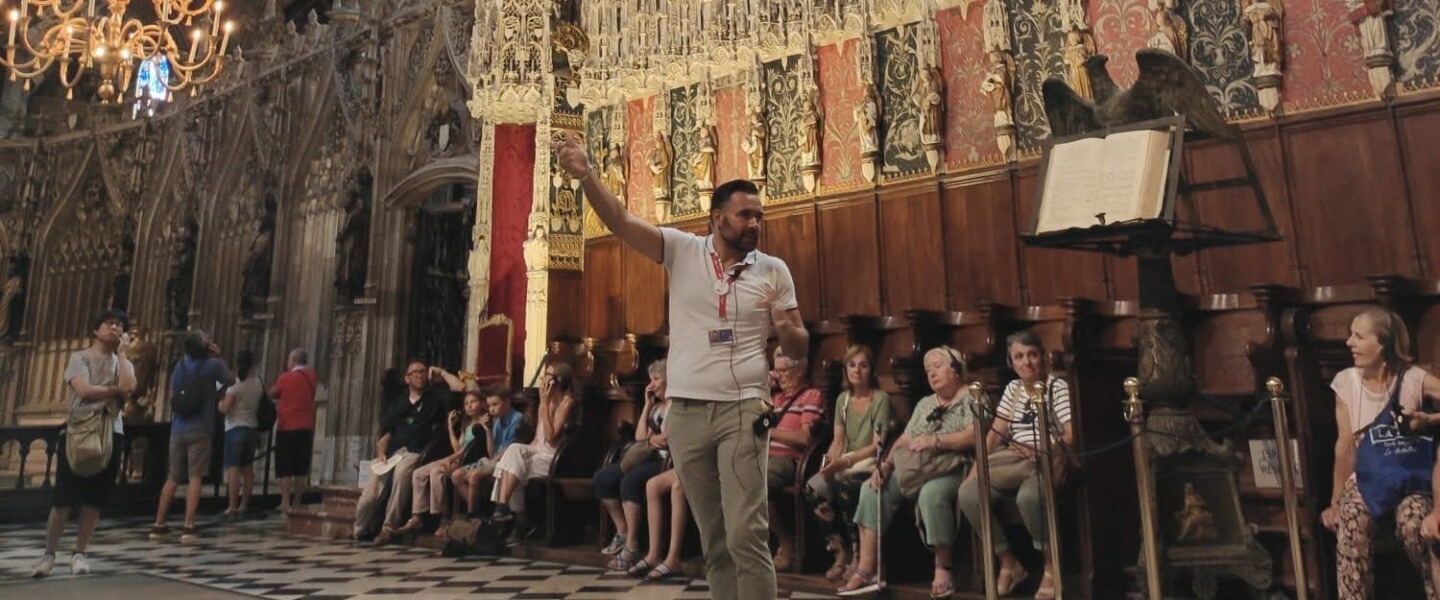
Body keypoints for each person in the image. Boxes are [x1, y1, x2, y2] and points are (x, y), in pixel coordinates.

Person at [553, 134, 807, 600]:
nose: (755, 223)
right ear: (717, 218)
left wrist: (784, 328)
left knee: (745, 532)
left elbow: (800, 340)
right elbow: (621, 219)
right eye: (745, 214)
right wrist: (586, 176)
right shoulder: (682, 250)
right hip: (687, 413)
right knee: (713, 536)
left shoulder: (773, 270)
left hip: (744, 410)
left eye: (759, 215)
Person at [1319, 308, 1440, 599]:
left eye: (1359, 336)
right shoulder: (1345, 381)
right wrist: (1335, 501)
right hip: (1365, 479)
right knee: (1352, 518)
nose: (1349, 342)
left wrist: (1430, 419)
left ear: (1384, 343)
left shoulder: (1412, 378)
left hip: (1409, 480)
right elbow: (1345, 446)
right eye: (1351, 335)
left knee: (1415, 523)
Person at [840, 346, 976, 598]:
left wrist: (936, 441)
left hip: (952, 466)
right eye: (928, 370)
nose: (932, 373)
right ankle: (867, 569)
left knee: (931, 494)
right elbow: (904, 438)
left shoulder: (972, 397)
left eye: (938, 366)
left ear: (956, 369)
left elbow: (973, 436)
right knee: (871, 489)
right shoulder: (926, 403)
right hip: (916, 467)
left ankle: (943, 567)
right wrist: (886, 465)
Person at [956, 331, 1074, 599]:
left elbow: (1070, 434)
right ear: (1011, 362)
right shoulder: (1013, 389)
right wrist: (977, 469)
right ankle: (1009, 562)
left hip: (1046, 461)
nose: (1027, 363)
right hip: (1014, 462)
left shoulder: (1057, 387)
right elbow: (996, 433)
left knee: (1030, 497)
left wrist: (1045, 447)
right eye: (1019, 357)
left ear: (1043, 357)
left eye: (1032, 355)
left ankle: (1050, 566)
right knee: (969, 493)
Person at [32, 309, 135, 577]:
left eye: (120, 325)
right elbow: (84, 390)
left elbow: (129, 386)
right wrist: (113, 391)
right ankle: (49, 554)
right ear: (96, 329)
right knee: (64, 497)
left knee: (94, 499)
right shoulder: (80, 358)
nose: (115, 328)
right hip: (80, 430)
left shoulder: (122, 362)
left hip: (111, 431)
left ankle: (79, 553)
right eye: (110, 323)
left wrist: (123, 354)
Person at [807, 345, 897, 581]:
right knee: (814, 487)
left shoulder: (880, 399)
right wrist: (828, 462)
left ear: (871, 370)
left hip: (866, 464)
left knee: (848, 486)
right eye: (852, 365)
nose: (857, 370)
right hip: (844, 463)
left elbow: (877, 445)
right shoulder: (842, 400)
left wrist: (845, 461)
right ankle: (839, 550)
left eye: (863, 365)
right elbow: (838, 440)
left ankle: (859, 554)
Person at [354, 361, 464, 544]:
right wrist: (381, 451)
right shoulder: (399, 403)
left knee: (401, 474)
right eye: (415, 372)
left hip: (415, 453)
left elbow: (460, 389)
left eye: (423, 371)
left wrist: (441, 372)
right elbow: (385, 433)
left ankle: (388, 528)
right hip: (391, 454)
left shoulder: (434, 399)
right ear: (407, 378)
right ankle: (359, 530)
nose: (420, 375)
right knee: (371, 492)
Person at [151, 330, 234, 543]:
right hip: (201, 427)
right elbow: (231, 379)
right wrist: (219, 356)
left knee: (172, 477)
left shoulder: (180, 366)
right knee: (195, 476)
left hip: (178, 427)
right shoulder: (212, 365)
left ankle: (158, 524)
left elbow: (172, 394)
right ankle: (188, 525)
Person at [596, 360, 672, 571]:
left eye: (656, 379)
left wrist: (652, 440)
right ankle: (623, 530)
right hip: (647, 455)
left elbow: (667, 439)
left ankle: (632, 545)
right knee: (603, 478)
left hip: (665, 460)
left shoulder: (675, 405)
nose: (652, 385)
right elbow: (640, 437)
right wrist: (647, 405)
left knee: (630, 481)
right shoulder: (656, 407)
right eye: (650, 380)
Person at [490, 362, 577, 545]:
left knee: (514, 463)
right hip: (537, 451)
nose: (543, 380)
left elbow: (551, 437)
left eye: (548, 376)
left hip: (553, 458)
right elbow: (537, 441)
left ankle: (515, 516)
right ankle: (508, 509)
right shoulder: (543, 404)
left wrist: (544, 404)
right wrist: (523, 453)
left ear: (557, 381)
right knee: (513, 456)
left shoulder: (567, 403)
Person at [767, 351, 826, 572]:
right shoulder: (774, 399)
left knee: (753, 483)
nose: (779, 376)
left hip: (789, 460)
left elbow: (805, 438)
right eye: (776, 371)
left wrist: (770, 433)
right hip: (764, 458)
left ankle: (785, 540)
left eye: (783, 370)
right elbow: (754, 426)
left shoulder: (811, 396)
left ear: (799, 370)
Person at [397, 389, 485, 536]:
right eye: (466, 403)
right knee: (418, 473)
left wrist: (450, 458)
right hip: (457, 457)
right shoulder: (466, 423)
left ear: (482, 403)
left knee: (436, 472)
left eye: (473, 402)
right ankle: (417, 516)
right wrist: (450, 428)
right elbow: (458, 447)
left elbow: (470, 449)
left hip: (468, 461)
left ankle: (443, 518)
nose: (469, 406)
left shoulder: (483, 422)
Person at [451, 386, 529, 518]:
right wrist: (487, 431)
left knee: (474, 475)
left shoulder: (517, 419)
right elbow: (491, 453)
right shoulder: (497, 421)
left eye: (495, 404)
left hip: (507, 462)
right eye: (489, 405)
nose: (491, 409)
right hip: (493, 460)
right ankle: (479, 511)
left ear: (507, 402)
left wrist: (489, 463)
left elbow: (507, 450)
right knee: (456, 475)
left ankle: (472, 515)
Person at [270, 348, 317, 512]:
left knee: (285, 468)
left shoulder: (286, 377)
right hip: (306, 426)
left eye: (289, 360)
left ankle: (285, 501)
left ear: (294, 361)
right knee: (300, 468)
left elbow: (273, 392)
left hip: (287, 426)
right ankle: (297, 501)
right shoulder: (312, 376)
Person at [220, 350, 264, 518]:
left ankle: (232, 505)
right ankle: (244, 504)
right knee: (248, 469)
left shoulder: (235, 387)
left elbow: (224, 409)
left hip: (234, 428)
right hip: (251, 428)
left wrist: (219, 403)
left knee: (234, 469)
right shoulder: (258, 384)